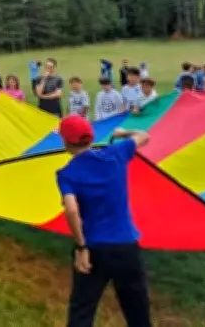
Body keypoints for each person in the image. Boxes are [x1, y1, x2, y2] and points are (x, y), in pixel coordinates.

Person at [56, 116, 151, 327]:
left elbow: (71, 209)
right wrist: (122, 133)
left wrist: (81, 247)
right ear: (91, 138)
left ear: (66, 143)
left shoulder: (67, 173)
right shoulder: (117, 153)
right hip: (126, 246)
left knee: (82, 310)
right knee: (137, 309)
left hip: (94, 249)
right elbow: (144, 136)